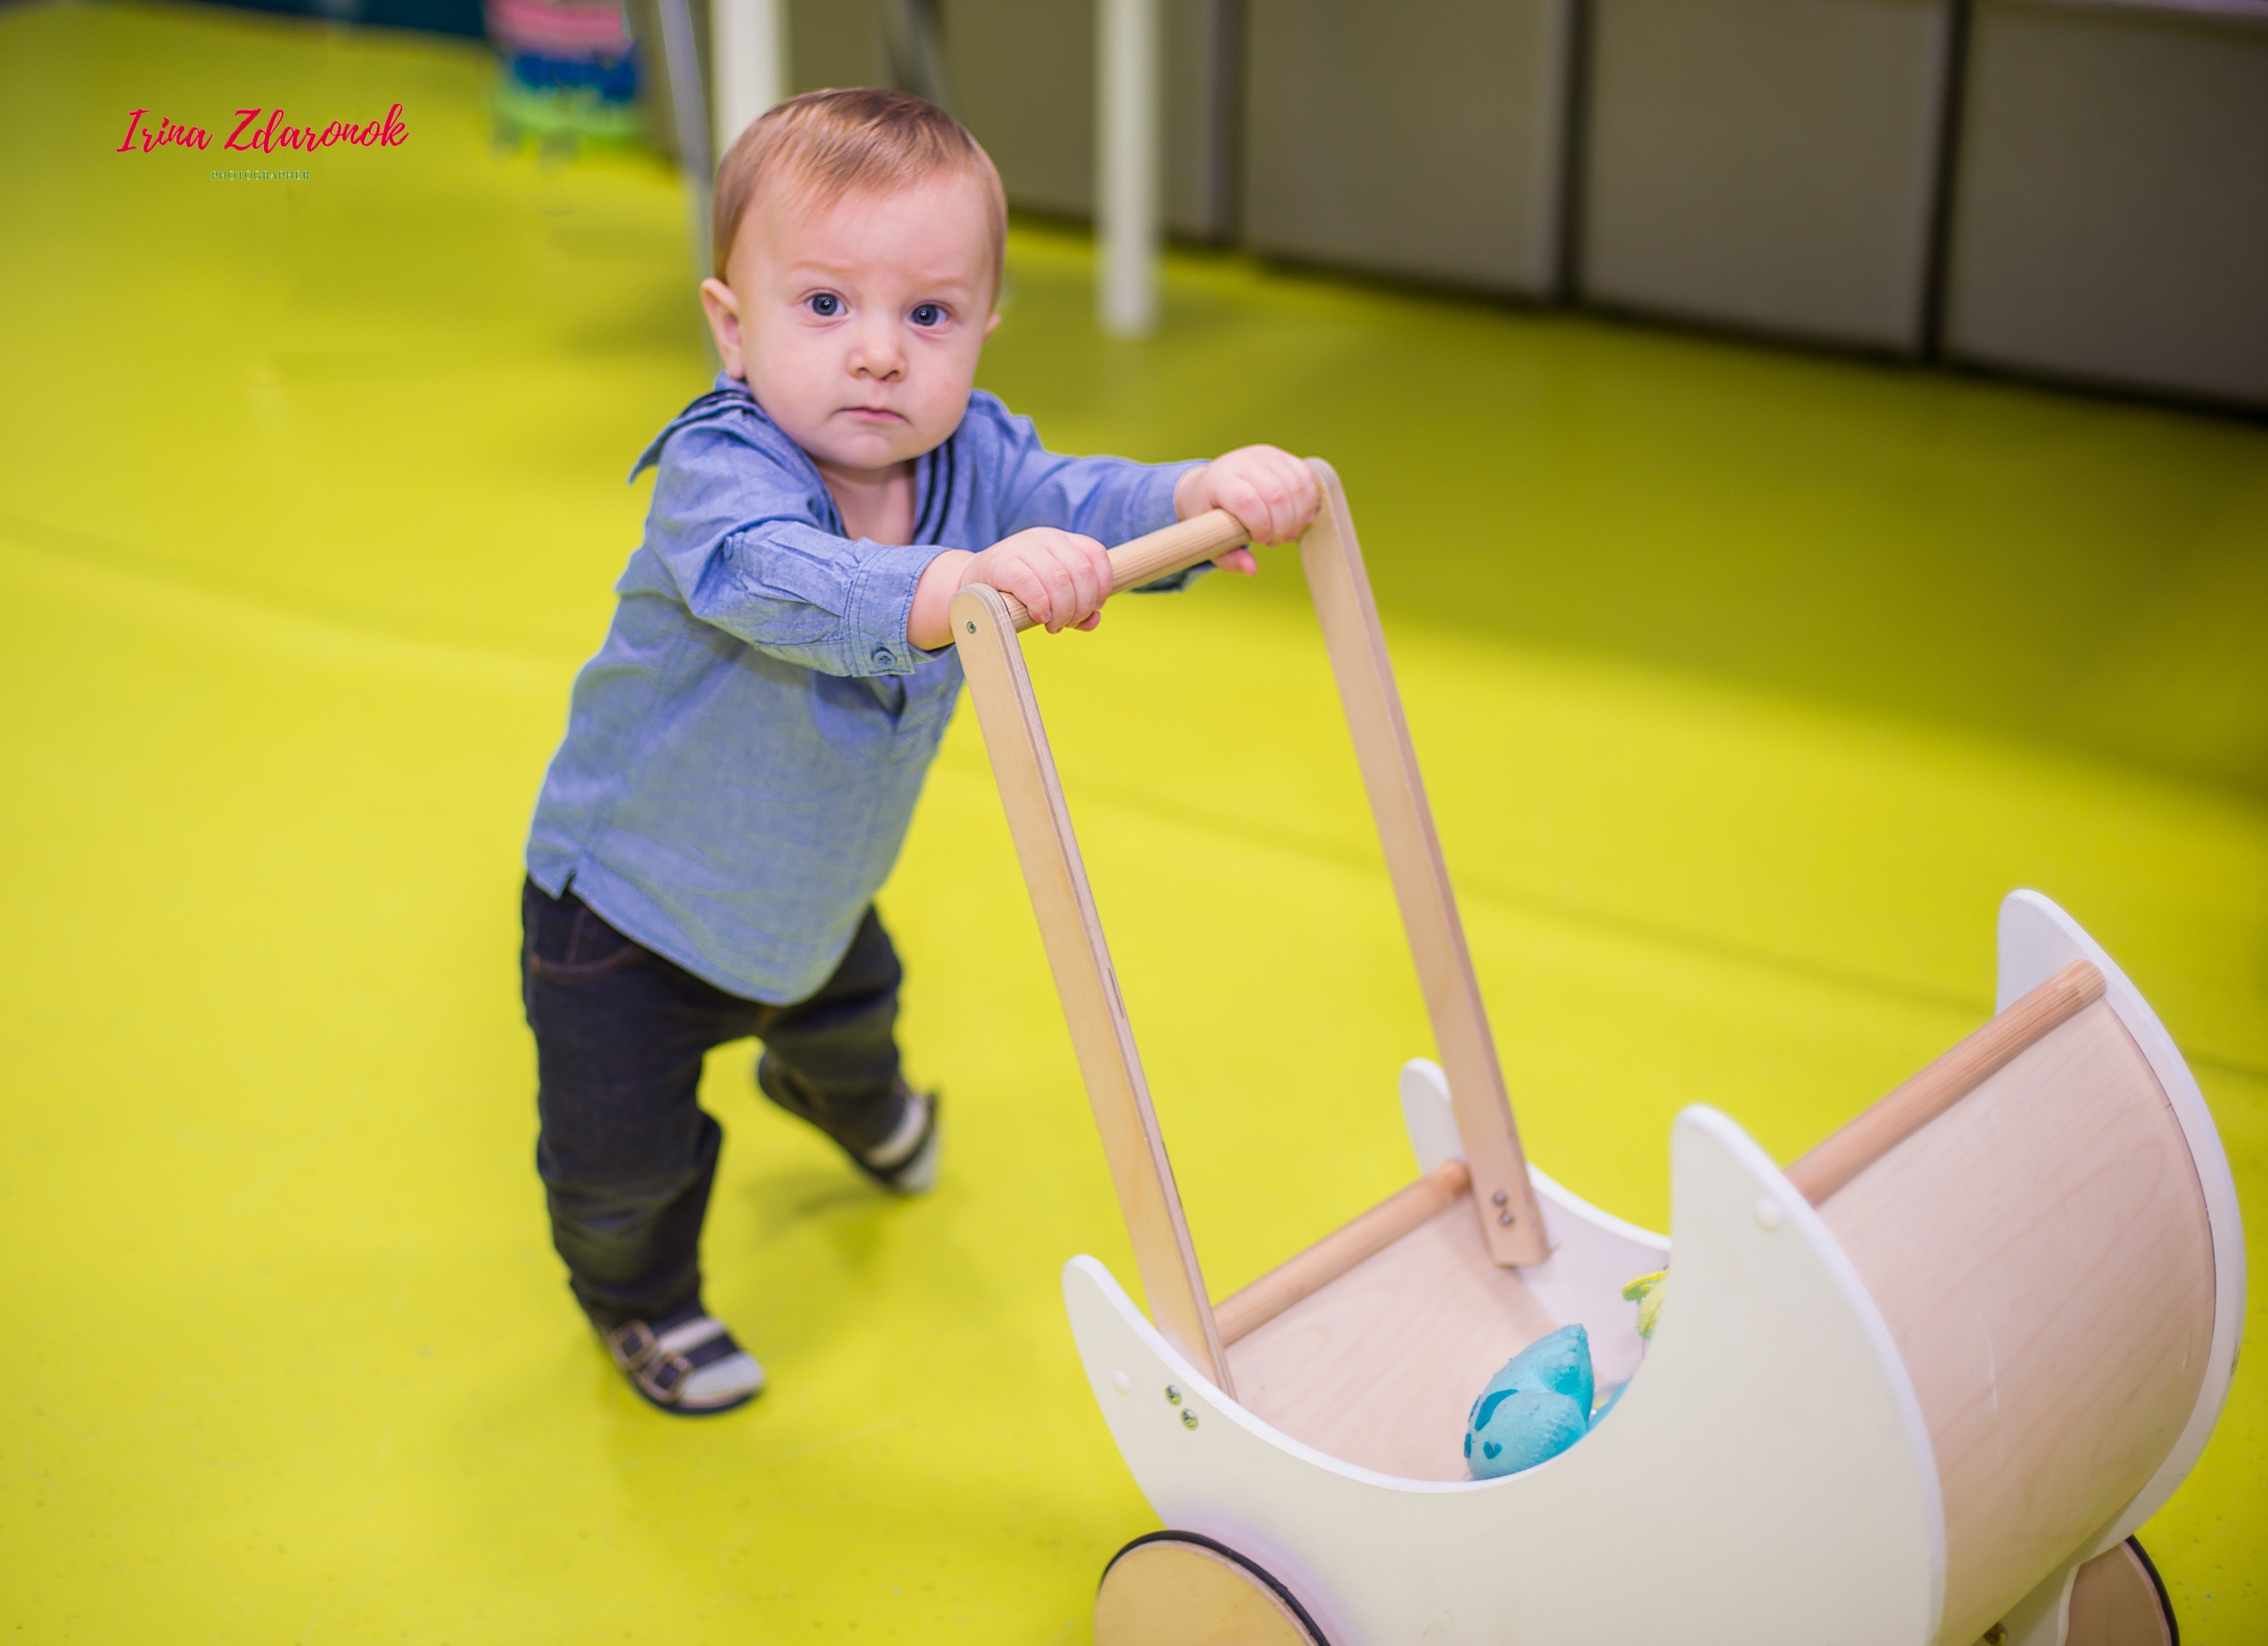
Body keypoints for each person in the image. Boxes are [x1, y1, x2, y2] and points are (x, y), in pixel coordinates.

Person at [519, 87, 1321, 1416]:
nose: (881, 354)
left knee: (852, 1011)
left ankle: (838, 1092)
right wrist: (955, 586)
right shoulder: (722, 469)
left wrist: (1196, 493)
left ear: (983, 331)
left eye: (929, 315)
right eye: (826, 305)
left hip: (813, 889)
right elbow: (769, 579)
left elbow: (1078, 498)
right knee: (621, 1167)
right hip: (630, 914)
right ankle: (639, 1299)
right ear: (732, 323)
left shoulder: (975, 456)